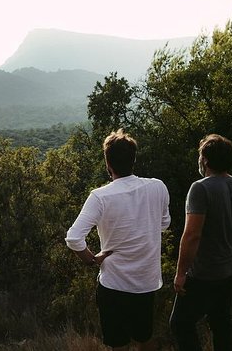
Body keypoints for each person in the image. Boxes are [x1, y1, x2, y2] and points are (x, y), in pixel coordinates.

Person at [65, 129, 171, 351]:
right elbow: (164, 224)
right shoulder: (157, 187)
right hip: (146, 281)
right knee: (145, 338)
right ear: (133, 159)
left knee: (118, 344)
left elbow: (74, 238)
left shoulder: (100, 196)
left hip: (114, 283)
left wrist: (92, 260)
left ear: (108, 165)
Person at [170, 134, 232, 351]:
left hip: (203, 274)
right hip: (229, 271)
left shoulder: (200, 188)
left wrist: (180, 273)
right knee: (221, 322)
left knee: (180, 323)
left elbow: (192, 235)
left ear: (205, 160)